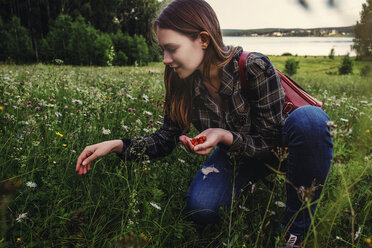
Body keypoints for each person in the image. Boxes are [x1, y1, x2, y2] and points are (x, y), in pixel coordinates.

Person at [75, 0, 333, 246]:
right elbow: (165, 140)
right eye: (163, 50)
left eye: (172, 49)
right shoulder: (180, 79)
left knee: (310, 120)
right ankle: (246, 185)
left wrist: (224, 136)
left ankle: (295, 233)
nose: (165, 59)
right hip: (238, 156)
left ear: (203, 40)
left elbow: (271, 143)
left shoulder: (253, 66)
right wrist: (117, 144)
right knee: (201, 209)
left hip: (283, 153)